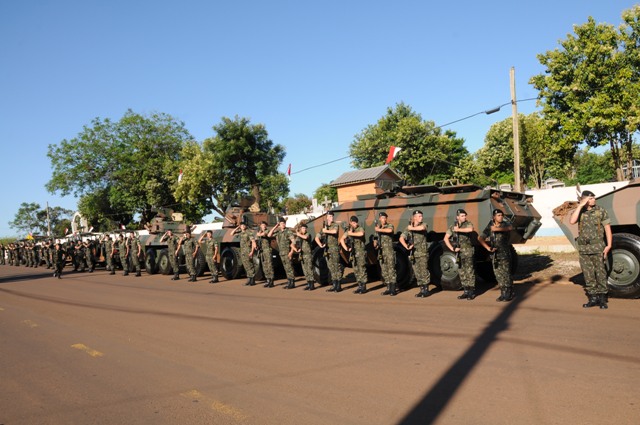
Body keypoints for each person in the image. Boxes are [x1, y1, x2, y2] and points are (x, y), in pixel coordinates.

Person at [570, 190, 612, 309]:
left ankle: (603, 299)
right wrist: (580, 206)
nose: (594, 199)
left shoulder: (600, 211)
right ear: (585, 200)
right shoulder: (580, 212)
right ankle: (593, 298)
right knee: (588, 274)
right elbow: (572, 221)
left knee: (600, 272)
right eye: (591, 198)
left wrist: (609, 245)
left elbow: (607, 229)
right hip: (584, 248)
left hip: (598, 247)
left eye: (594, 197)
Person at [478, 209, 514, 302]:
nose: (500, 217)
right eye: (498, 215)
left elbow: (510, 228)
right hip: (494, 254)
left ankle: (509, 293)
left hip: (504, 254)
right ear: (494, 217)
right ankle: (503, 293)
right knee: (498, 274)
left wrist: (496, 229)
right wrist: (487, 248)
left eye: (501, 215)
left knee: (506, 274)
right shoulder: (490, 225)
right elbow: (480, 238)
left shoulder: (505, 224)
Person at [444, 209, 477, 300]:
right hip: (458, 252)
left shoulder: (468, 224)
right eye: (462, 216)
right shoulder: (453, 227)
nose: (464, 217)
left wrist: (458, 229)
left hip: (467, 251)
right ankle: (466, 291)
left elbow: (470, 229)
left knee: (469, 271)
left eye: (465, 215)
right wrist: (452, 248)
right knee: (461, 271)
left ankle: (471, 291)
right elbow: (446, 238)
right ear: (457, 217)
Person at [400, 210, 431, 298]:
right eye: (419, 216)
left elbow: (422, 229)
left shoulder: (423, 224)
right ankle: (421, 289)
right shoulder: (409, 227)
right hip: (414, 253)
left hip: (422, 253)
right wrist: (406, 246)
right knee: (417, 272)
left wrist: (411, 228)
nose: (421, 217)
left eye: (421, 216)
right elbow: (401, 238)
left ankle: (426, 290)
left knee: (424, 271)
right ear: (414, 217)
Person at [315, 211, 342, 292]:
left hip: (334, 249)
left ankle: (339, 285)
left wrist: (325, 231)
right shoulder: (324, 227)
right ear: (327, 217)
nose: (331, 217)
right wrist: (320, 244)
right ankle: (334, 284)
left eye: (332, 216)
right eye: (330, 216)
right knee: (331, 267)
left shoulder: (335, 225)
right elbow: (317, 237)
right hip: (327, 250)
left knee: (336, 267)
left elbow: (334, 232)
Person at [340, 215, 367, 294]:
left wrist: (351, 234)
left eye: (356, 222)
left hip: (360, 252)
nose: (355, 224)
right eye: (353, 223)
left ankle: (363, 286)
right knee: (356, 269)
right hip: (353, 253)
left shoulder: (359, 228)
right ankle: (359, 286)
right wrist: (346, 248)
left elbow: (361, 234)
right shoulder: (348, 230)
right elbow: (342, 239)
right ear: (350, 223)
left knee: (361, 269)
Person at [269, 217, 297, 289]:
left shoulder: (288, 231)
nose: (283, 225)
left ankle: (292, 282)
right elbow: (269, 235)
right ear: (279, 224)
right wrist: (275, 226)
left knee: (289, 267)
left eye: (284, 223)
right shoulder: (278, 232)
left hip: (287, 252)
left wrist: (291, 252)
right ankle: (289, 281)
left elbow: (293, 242)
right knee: (286, 267)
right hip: (281, 253)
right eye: (281, 223)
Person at [375, 212, 397, 296]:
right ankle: (388, 287)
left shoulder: (389, 226)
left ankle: (393, 288)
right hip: (381, 252)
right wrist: (375, 243)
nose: (383, 219)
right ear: (380, 219)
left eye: (384, 218)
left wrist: (379, 230)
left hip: (389, 252)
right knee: (384, 270)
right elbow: (376, 238)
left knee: (391, 269)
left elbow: (390, 231)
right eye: (382, 218)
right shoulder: (378, 228)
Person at [232, 220, 257, 286]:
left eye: (244, 225)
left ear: (246, 226)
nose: (242, 226)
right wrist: (237, 227)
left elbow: (253, 242)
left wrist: (252, 251)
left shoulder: (249, 232)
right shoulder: (240, 232)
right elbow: (231, 234)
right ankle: (249, 279)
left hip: (248, 251)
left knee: (250, 265)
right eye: (241, 225)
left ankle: (252, 280)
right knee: (246, 265)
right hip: (243, 251)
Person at [294, 223, 316, 290]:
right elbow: (294, 244)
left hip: (308, 255)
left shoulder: (307, 234)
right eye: (303, 228)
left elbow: (306, 237)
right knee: (305, 270)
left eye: (305, 228)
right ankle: (308, 283)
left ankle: (312, 284)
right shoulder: (299, 237)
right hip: (302, 255)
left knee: (309, 269)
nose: (304, 229)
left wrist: (299, 234)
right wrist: (296, 249)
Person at [256, 221, 275, 287]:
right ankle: (268, 280)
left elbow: (263, 234)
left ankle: (271, 280)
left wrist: (258, 234)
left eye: (264, 225)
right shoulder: (259, 231)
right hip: (262, 251)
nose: (263, 226)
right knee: (264, 266)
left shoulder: (267, 231)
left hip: (267, 250)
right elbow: (257, 239)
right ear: (260, 226)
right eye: (262, 225)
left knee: (269, 265)